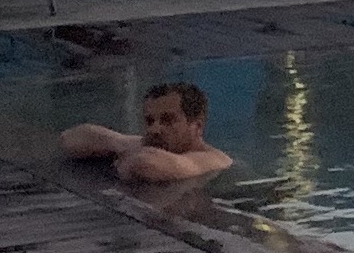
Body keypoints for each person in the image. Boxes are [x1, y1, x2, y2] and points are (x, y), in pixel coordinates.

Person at [60, 79, 231, 186]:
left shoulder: (213, 160)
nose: (154, 129)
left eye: (167, 120)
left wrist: (123, 158)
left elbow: (145, 165)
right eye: (150, 121)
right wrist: (119, 144)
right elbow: (71, 138)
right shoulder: (151, 144)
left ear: (197, 126)